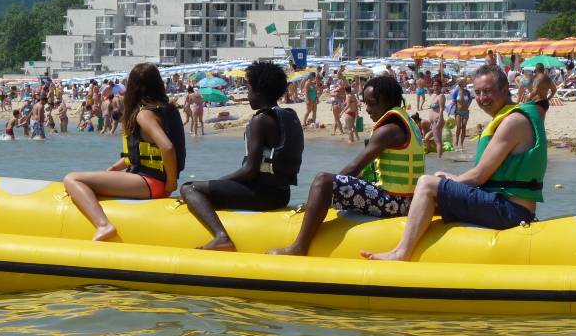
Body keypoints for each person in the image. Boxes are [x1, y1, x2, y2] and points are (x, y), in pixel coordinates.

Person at [362, 64, 546, 261]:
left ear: (505, 89)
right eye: (477, 92)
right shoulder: (511, 117)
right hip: (503, 204)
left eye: (487, 91)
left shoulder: (513, 121)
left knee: (426, 183)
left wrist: (441, 184)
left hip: (511, 211)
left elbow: (478, 177)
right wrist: (445, 180)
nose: (482, 98)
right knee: (439, 176)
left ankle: (401, 253)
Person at [270, 75, 424, 257]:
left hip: (394, 204)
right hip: (408, 202)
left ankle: (299, 247)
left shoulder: (387, 130)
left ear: (388, 100)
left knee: (323, 180)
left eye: (373, 103)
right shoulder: (407, 123)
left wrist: (328, 189)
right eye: (365, 103)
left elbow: (354, 168)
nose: (368, 109)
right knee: (339, 185)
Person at [180, 60, 304, 251]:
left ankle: (221, 237)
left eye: (249, 89)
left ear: (258, 92)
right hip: (282, 194)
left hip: (262, 195)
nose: (248, 94)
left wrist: (216, 183)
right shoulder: (290, 115)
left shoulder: (260, 120)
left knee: (190, 188)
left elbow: (249, 171)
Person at [63, 63, 186, 241]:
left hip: (150, 183)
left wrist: (171, 183)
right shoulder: (168, 109)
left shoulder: (144, 114)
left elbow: (167, 148)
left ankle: (103, 225)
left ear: (133, 87)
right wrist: (113, 169)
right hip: (154, 182)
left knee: (72, 179)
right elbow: (144, 153)